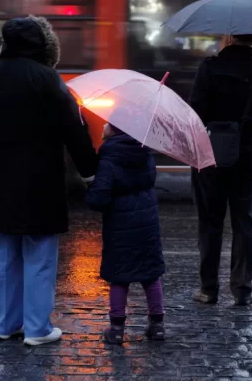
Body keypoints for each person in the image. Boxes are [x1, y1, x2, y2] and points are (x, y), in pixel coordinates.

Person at [0, 16, 98, 345]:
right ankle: (37, 328)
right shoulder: (47, 79)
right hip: (40, 183)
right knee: (39, 257)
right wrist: (90, 172)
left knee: (5, 258)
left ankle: (5, 324)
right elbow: (75, 130)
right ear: (44, 46)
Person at [189, 34, 252, 306]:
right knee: (244, 221)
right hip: (248, 156)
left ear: (229, 37)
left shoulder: (209, 69)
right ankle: (242, 289)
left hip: (211, 153)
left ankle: (208, 288)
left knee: (210, 222)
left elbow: (195, 115)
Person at [85, 123, 166, 344]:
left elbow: (99, 198)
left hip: (120, 224)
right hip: (147, 221)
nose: (102, 124)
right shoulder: (145, 151)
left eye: (108, 123)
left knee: (119, 277)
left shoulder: (109, 156)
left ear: (116, 129)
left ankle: (117, 329)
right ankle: (157, 325)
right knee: (151, 273)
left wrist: (88, 191)